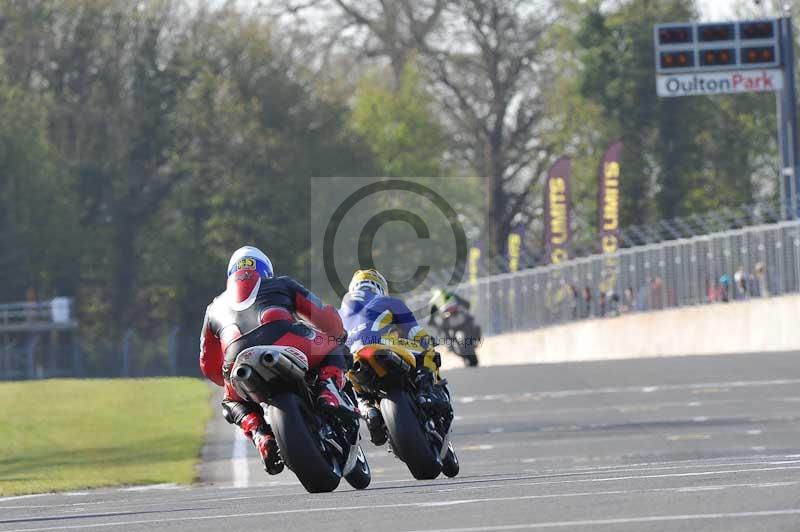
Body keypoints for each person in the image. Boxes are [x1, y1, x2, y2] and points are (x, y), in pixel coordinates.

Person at [199, 246, 352, 475]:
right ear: (266, 271)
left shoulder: (213, 308)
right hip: (285, 339)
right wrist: (338, 333)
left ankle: (260, 434)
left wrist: (229, 382)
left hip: (237, 359)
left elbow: (208, 365)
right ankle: (328, 392)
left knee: (232, 402)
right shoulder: (282, 284)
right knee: (333, 346)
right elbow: (324, 317)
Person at [339, 269, 451, 445]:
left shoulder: (338, 313)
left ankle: (368, 409)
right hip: (379, 346)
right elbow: (414, 332)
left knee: (348, 383)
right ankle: (426, 392)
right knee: (427, 351)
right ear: (379, 287)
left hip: (352, 358)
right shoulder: (387, 301)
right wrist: (427, 341)